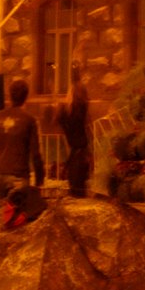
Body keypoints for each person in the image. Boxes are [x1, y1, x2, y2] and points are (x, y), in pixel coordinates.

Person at [0, 79, 45, 203]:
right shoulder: (29, 120)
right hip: (18, 175)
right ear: (26, 96)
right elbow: (36, 153)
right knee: (17, 213)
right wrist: (39, 181)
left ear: (9, 95)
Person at [56, 66, 91, 197]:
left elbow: (61, 117)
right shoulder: (79, 111)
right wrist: (76, 79)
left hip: (74, 153)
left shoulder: (65, 114)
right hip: (79, 153)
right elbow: (81, 104)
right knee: (79, 190)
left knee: (75, 188)